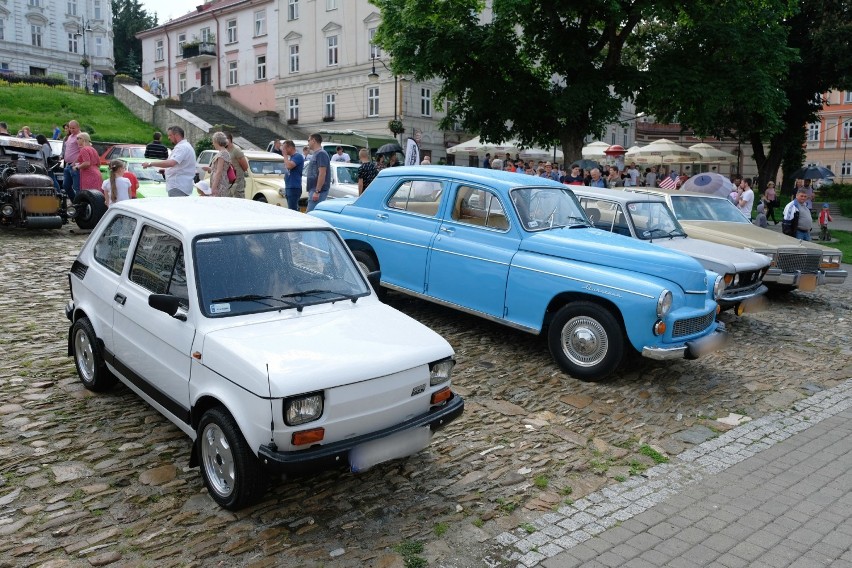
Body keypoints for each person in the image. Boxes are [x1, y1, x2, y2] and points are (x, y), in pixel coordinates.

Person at [142, 125, 196, 196]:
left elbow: (171, 163)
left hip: (178, 186)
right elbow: (179, 166)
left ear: (176, 135)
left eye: (170, 135)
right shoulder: (185, 146)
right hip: (180, 186)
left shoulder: (182, 148)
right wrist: (166, 170)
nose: (168, 138)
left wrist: (150, 164)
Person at [305, 133, 330, 212]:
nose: (308, 143)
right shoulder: (316, 153)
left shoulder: (321, 154)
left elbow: (322, 173)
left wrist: (317, 191)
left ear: (313, 140)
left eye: (309, 140)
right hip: (313, 189)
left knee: (310, 215)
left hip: (318, 191)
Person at [207, 131, 233, 197]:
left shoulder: (222, 154)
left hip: (220, 183)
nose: (213, 143)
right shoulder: (223, 152)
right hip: (220, 181)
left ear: (216, 141)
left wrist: (214, 187)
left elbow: (219, 171)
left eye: (213, 141)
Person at [225, 133, 249, 198]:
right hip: (229, 179)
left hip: (238, 179)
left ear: (229, 140)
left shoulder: (236, 150)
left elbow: (245, 166)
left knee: (239, 198)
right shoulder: (225, 149)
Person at [282, 139, 303, 210]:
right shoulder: (291, 158)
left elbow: (289, 166)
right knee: (290, 208)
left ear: (290, 147)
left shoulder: (298, 156)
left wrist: (285, 155)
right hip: (289, 186)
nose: (283, 150)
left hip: (294, 187)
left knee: (293, 210)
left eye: (284, 148)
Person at [62, 120, 81, 199]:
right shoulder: (70, 136)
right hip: (68, 164)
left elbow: (82, 152)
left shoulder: (80, 136)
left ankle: (79, 204)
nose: (71, 130)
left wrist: (74, 163)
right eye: (70, 128)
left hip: (75, 165)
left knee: (77, 187)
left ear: (78, 127)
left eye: (73, 128)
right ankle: (74, 202)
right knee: (66, 186)